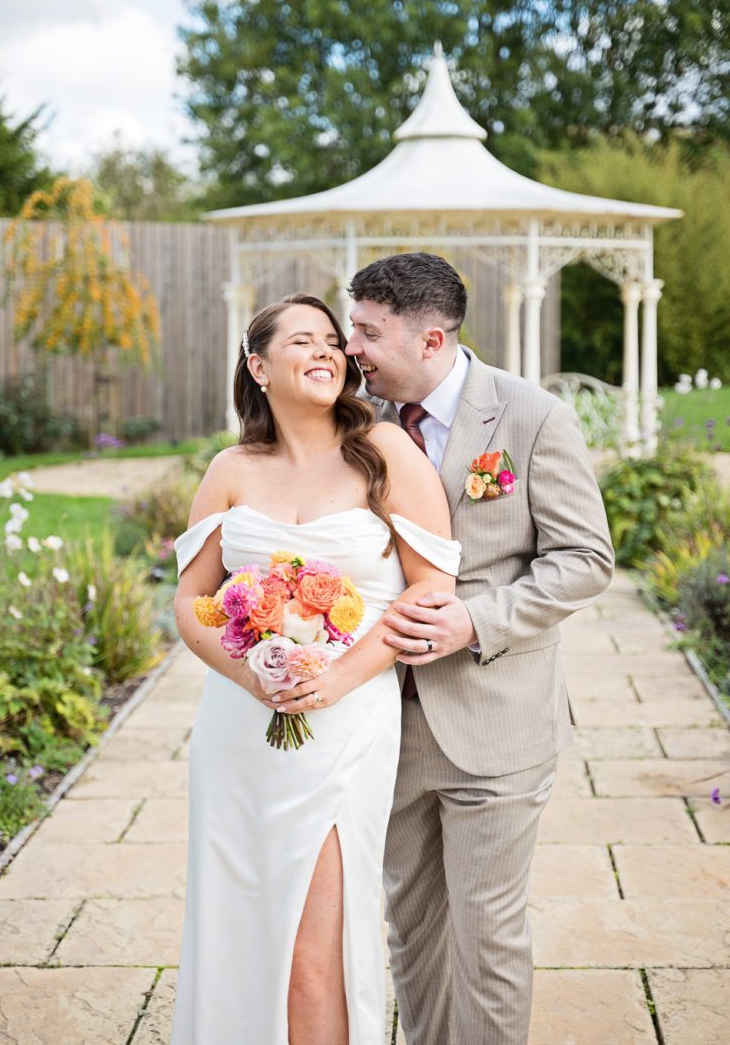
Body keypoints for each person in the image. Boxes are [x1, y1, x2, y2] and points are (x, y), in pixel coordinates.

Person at [168, 292, 460, 1045]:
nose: (329, 351)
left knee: (313, 950)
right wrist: (250, 677)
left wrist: (332, 679)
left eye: (335, 340)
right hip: (239, 728)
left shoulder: (387, 452)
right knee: (239, 926)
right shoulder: (231, 468)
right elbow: (191, 603)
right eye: (304, 340)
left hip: (347, 719)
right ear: (258, 366)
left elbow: (432, 589)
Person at [345, 253, 615, 1045]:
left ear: (431, 340)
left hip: (496, 727)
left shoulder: (531, 417)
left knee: (489, 936)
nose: (352, 348)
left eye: (368, 332)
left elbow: (585, 559)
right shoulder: (357, 420)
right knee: (413, 931)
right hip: (382, 723)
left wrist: (476, 621)